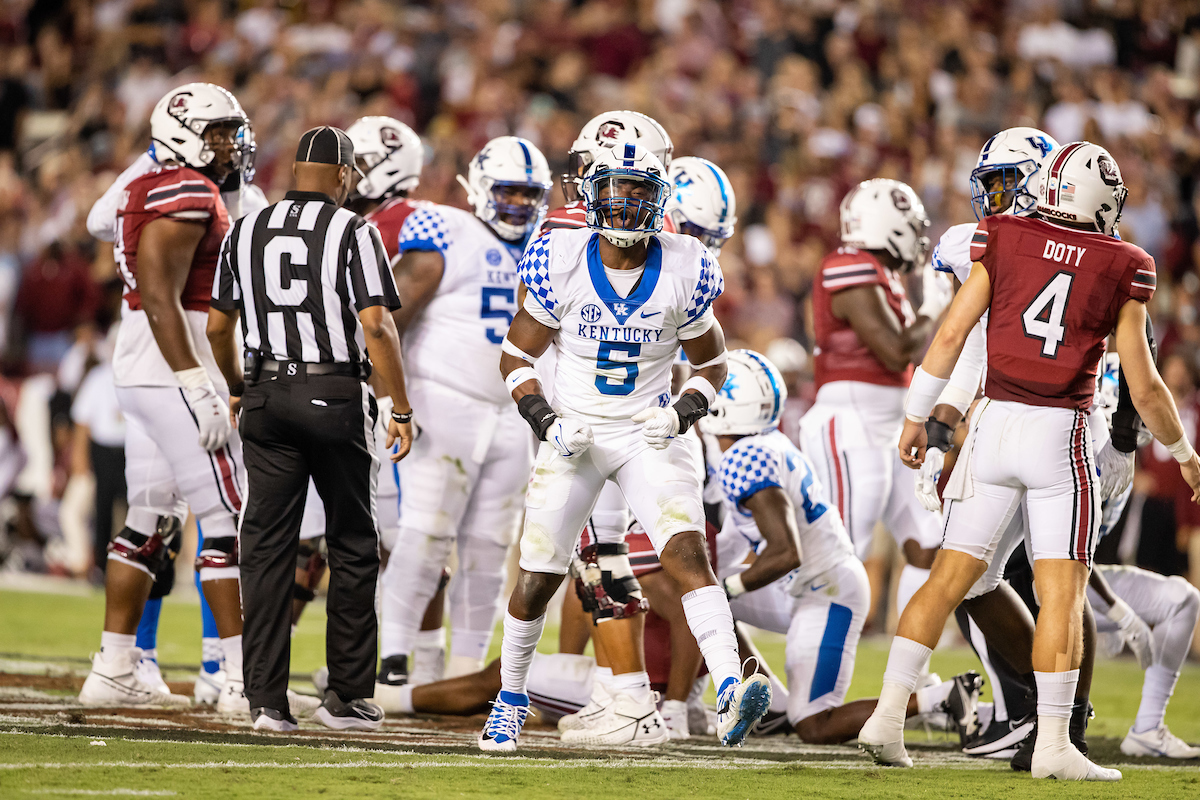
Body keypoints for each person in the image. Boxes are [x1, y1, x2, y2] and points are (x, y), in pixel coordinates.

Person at [859, 141, 1200, 781]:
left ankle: (884, 720)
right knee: (1061, 595)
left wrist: (917, 415)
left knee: (949, 577)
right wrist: (1182, 451)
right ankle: (1052, 746)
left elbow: (953, 334)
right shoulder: (1125, 263)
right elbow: (1145, 384)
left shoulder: (1004, 236)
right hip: (1059, 436)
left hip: (991, 426)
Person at [481, 142, 770, 753]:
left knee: (687, 553)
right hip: (575, 431)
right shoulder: (560, 258)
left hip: (647, 432)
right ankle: (508, 700)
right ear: (591, 191)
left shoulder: (684, 265)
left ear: (658, 199)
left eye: (640, 189)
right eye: (615, 186)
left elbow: (714, 362)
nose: (625, 200)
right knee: (538, 574)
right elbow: (516, 355)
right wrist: (544, 419)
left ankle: (727, 687)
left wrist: (683, 411)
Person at [207, 126, 414, 732]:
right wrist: (399, 405)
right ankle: (347, 697)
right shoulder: (355, 230)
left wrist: (240, 387)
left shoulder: (245, 228)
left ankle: (266, 702)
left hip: (265, 392)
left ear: (298, 170)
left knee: (266, 548)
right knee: (351, 543)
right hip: (333, 391)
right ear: (346, 175)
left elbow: (219, 328)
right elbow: (377, 327)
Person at [85, 84, 269, 705]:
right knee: (230, 520)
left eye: (231, 132)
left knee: (149, 518)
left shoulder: (170, 186)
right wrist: (198, 385)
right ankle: (241, 678)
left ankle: (113, 667)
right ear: (182, 134)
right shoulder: (183, 189)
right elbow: (163, 295)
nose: (229, 144)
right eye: (216, 133)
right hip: (175, 371)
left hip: (145, 368)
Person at [706, 349, 981, 743]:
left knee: (815, 725)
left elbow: (786, 553)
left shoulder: (744, 457)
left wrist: (728, 589)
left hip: (827, 592)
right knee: (700, 597)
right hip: (808, 586)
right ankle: (770, 706)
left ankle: (940, 698)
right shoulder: (767, 443)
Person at [372, 135, 549, 698]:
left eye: (529, 193)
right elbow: (385, 319)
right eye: (509, 191)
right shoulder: (445, 230)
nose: (519, 203)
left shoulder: (547, 248)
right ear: (479, 189)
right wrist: (385, 399)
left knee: (490, 550)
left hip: (509, 414)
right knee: (424, 536)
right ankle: (393, 658)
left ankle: (463, 669)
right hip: (443, 403)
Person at [525, 110, 679, 745]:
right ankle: (625, 694)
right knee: (598, 551)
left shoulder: (573, 234)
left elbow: (532, 328)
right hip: (644, 414)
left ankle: (632, 698)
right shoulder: (668, 235)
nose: (583, 186)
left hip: (595, 418)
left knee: (596, 553)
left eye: (590, 171)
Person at [797, 179, 950, 620]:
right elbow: (895, 349)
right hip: (851, 421)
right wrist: (932, 307)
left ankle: (909, 679)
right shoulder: (848, 264)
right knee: (842, 554)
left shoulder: (887, 275)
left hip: (891, 422)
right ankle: (809, 678)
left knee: (928, 545)